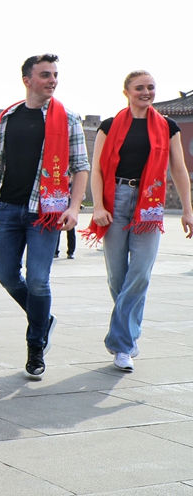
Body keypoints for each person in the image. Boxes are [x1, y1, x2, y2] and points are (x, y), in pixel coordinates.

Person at [0, 54, 89, 380]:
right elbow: (1, 159)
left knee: (38, 279)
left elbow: (80, 168)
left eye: (55, 75)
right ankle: (43, 318)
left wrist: (74, 207)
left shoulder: (68, 119)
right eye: (45, 75)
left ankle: (35, 345)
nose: (52, 80)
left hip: (46, 212)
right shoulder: (9, 116)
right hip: (8, 207)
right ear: (27, 80)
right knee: (8, 276)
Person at [83, 71, 193, 371]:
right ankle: (129, 337)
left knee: (140, 274)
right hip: (116, 199)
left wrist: (188, 209)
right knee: (118, 277)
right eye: (139, 88)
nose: (146, 92)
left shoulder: (167, 126)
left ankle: (121, 344)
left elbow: (179, 170)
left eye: (151, 88)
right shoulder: (109, 126)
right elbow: (96, 171)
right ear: (126, 92)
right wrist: (99, 207)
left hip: (150, 203)